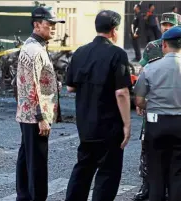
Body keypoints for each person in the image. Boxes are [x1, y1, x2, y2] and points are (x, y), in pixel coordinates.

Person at [65, 10, 132, 201]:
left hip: (85, 123)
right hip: (109, 125)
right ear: (113, 30)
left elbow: (70, 87)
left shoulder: (80, 52)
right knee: (108, 173)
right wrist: (127, 124)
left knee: (83, 168)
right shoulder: (117, 54)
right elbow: (122, 92)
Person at [133, 25, 181, 201]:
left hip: (156, 124)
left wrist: (155, 103)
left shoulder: (150, 68)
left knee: (156, 173)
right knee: (178, 174)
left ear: (164, 44)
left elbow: (139, 101)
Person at [15, 6, 65, 201]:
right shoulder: (34, 50)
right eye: (49, 24)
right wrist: (41, 117)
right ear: (37, 24)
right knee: (36, 162)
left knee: (26, 158)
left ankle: (24, 196)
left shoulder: (34, 46)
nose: (53, 28)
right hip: (35, 117)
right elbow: (30, 85)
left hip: (28, 114)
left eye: (54, 24)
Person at [133, 12, 181, 201]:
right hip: (153, 104)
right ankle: (146, 186)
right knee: (148, 146)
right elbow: (142, 69)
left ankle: (171, 188)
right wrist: (140, 97)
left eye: (171, 25)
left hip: (176, 105)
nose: (166, 28)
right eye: (164, 25)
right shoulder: (153, 47)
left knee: (174, 149)